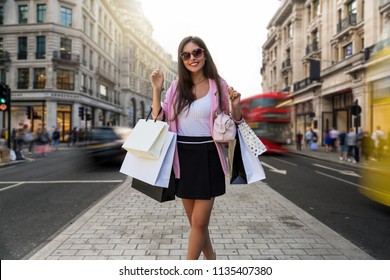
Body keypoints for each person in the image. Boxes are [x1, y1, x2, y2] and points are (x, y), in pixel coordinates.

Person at [149, 36, 242, 260]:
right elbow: (159, 118)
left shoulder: (217, 84)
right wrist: (156, 91)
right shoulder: (176, 87)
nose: (192, 58)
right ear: (182, 59)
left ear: (204, 54)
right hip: (182, 158)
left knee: (199, 224)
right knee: (196, 225)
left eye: (197, 52)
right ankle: (212, 262)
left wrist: (236, 106)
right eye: (186, 54)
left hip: (209, 156)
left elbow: (235, 122)